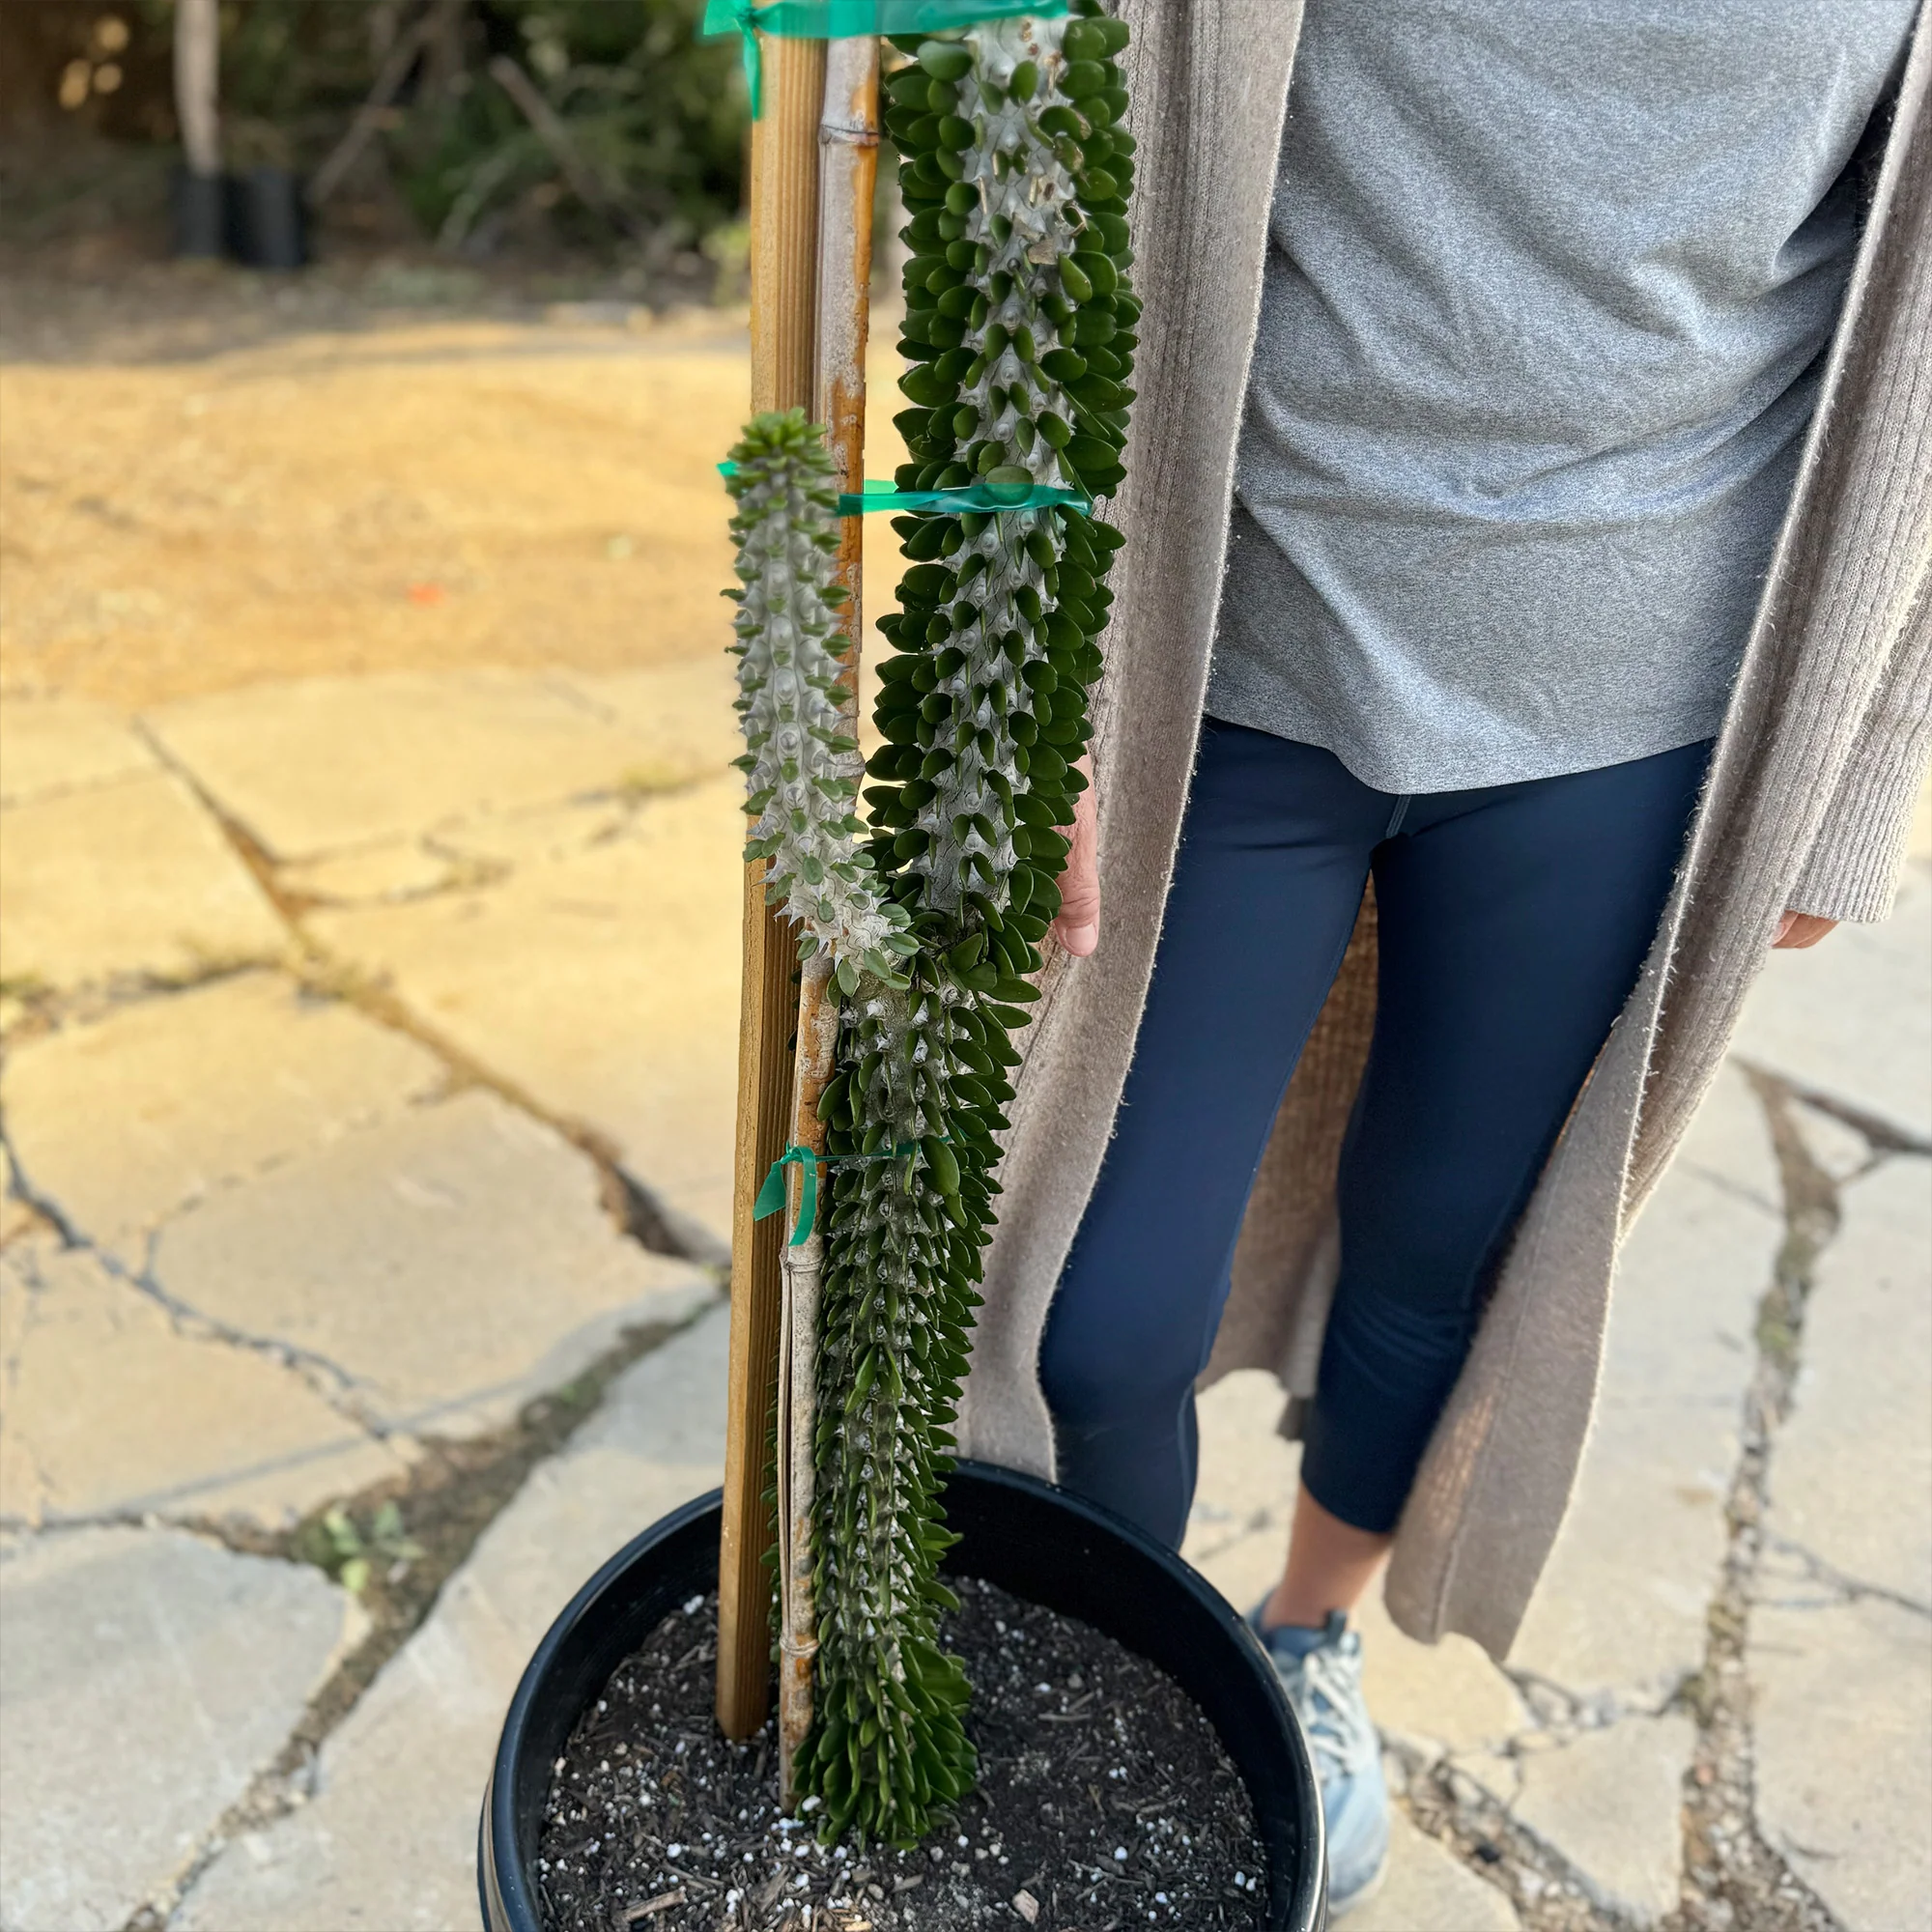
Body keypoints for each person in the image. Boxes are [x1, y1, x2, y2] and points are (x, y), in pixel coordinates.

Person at [950, 2, 1932, 1918]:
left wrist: (1858, 771)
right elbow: (1043, 132)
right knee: (1091, 1307)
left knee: (1439, 1258)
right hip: (1226, 666)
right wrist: (1022, 640)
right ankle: (1113, 1689)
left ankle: (1301, 1646)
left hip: (1629, 700)